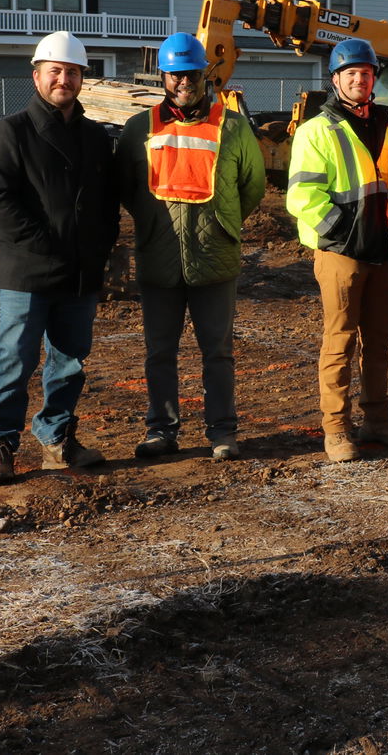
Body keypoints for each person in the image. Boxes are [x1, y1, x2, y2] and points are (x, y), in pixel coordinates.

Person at [0, 30, 119, 486]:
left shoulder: (95, 137)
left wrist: (100, 247)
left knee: (70, 360)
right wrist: (44, 244)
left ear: (82, 79)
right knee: (14, 359)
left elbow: (107, 202)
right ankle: (0, 445)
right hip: (28, 270)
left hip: (80, 272)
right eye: (55, 71)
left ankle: (56, 438)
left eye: (72, 72)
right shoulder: (11, 131)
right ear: (37, 75)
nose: (64, 79)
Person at [115, 32, 266, 461]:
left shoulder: (233, 127)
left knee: (217, 353)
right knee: (159, 353)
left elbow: (252, 186)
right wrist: (151, 224)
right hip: (158, 259)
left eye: (192, 74)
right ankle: (161, 430)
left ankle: (222, 431)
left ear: (204, 75)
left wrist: (222, 223)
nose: (184, 82)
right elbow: (126, 187)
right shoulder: (138, 128)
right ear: (163, 76)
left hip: (214, 258)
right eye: (176, 74)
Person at [286, 37, 388, 462]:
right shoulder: (316, 131)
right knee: (339, 341)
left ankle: (378, 417)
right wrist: (343, 234)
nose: (360, 79)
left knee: (379, 339)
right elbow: (302, 197)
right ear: (336, 79)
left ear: (375, 78)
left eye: (366, 72)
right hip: (341, 252)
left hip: (380, 251)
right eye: (352, 73)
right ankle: (337, 427)